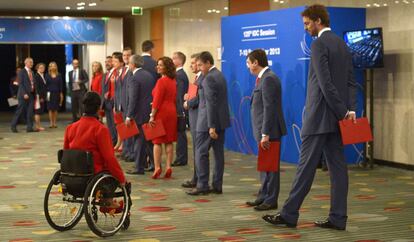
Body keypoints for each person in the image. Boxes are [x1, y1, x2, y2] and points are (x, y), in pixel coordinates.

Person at [262, 4, 357, 231]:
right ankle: (338, 218)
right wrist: (348, 109)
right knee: (338, 170)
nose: (306, 29)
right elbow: (351, 82)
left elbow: (325, 84)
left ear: (317, 21)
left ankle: (288, 214)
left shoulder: (318, 44)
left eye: (307, 24)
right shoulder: (342, 45)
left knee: (305, 168)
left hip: (319, 118)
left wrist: (341, 110)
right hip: (337, 119)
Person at [245, 49, 287, 211]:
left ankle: (270, 200)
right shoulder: (262, 78)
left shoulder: (269, 79)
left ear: (256, 62)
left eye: (249, 63)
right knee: (265, 165)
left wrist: (265, 133)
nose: (248, 66)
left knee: (270, 167)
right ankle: (263, 196)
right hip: (264, 130)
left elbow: (269, 108)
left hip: (269, 131)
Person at [186, 51, 230, 195]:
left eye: (200, 65)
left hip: (207, 123)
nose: (198, 68)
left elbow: (210, 104)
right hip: (221, 120)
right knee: (218, 155)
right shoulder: (219, 75)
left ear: (208, 63)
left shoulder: (208, 78)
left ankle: (202, 185)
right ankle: (217, 185)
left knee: (200, 153)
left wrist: (211, 126)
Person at [63, 91, 126, 186]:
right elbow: (109, 159)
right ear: (98, 108)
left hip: (72, 173)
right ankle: (109, 200)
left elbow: (66, 154)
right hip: (94, 175)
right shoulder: (101, 129)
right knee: (111, 174)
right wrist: (121, 178)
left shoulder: (70, 128)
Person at [125, 54, 156, 175]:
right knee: (148, 141)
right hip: (148, 112)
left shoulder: (134, 77)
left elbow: (133, 98)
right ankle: (154, 164)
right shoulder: (149, 75)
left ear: (132, 64)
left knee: (138, 140)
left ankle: (139, 167)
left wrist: (128, 115)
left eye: (129, 63)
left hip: (138, 114)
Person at [149, 57, 177, 179]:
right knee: (169, 141)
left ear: (166, 67)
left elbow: (157, 101)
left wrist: (152, 115)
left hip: (161, 112)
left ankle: (157, 167)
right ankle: (169, 166)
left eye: (160, 65)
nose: (158, 67)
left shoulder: (161, 81)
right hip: (172, 111)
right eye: (157, 65)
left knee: (157, 142)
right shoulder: (173, 81)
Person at [182, 53, 204, 188]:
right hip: (194, 117)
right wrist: (187, 98)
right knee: (196, 150)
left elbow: (198, 99)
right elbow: (191, 96)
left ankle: (199, 179)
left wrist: (188, 102)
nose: (191, 65)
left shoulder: (203, 79)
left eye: (193, 63)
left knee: (199, 151)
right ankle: (196, 177)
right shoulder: (196, 78)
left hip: (198, 118)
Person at [172, 51, 189, 167]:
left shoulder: (180, 75)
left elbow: (180, 94)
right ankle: (180, 157)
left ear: (179, 61)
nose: (172, 61)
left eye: (174, 59)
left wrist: (179, 111)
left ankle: (181, 158)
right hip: (180, 109)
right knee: (179, 134)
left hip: (180, 110)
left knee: (180, 134)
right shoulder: (179, 74)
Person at [11, 57, 36, 133]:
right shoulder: (21, 72)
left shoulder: (32, 72)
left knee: (30, 112)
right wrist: (24, 93)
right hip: (23, 95)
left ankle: (29, 127)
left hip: (31, 95)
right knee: (20, 111)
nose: (32, 64)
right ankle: (13, 126)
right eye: (30, 62)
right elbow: (20, 84)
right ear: (26, 63)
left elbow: (33, 83)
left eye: (32, 62)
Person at [120, 47, 135, 163]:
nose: (126, 57)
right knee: (125, 129)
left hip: (130, 104)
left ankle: (131, 153)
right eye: (124, 55)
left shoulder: (132, 70)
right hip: (123, 104)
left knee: (131, 130)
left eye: (128, 55)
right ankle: (126, 151)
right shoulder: (122, 69)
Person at [102, 55, 117, 146]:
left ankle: (115, 141)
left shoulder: (115, 72)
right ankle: (112, 140)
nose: (107, 63)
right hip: (106, 102)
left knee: (114, 124)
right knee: (109, 123)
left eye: (109, 61)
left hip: (113, 102)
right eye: (106, 61)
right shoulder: (106, 74)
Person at [112, 52, 126, 152]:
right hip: (117, 102)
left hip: (123, 103)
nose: (113, 63)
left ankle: (123, 144)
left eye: (115, 61)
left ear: (121, 63)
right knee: (118, 124)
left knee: (122, 124)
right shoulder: (116, 73)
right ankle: (119, 142)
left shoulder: (124, 72)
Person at [46, 61, 64, 128]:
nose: (53, 67)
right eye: (51, 66)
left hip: (57, 93)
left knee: (55, 108)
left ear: (56, 67)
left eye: (54, 65)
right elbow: (46, 85)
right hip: (49, 93)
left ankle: (55, 122)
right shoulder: (47, 75)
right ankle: (51, 123)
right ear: (49, 68)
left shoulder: (59, 75)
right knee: (50, 108)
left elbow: (61, 85)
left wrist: (61, 93)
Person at [33, 63, 48, 131]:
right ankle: (37, 126)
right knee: (37, 112)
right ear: (37, 68)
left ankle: (38, 125)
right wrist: (40, 97)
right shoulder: (37, 76)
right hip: (38, 97)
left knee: (39, 112)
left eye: (43, 67)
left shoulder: (42, 75)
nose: (42, 69)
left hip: (42, 96)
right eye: (40, 67)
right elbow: (37, 88)